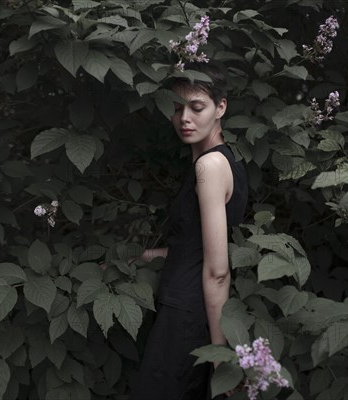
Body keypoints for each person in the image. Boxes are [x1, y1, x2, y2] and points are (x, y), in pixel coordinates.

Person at [129, 62, 249, 400]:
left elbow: (217, 271)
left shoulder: (209, 166)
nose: (184, 117)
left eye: (196, 107)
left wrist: (219, 353)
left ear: (220, 107)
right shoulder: (227, 161)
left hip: (189, 315)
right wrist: (150, 256)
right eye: (176, 107)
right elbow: (201, 248)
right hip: (187, 309)